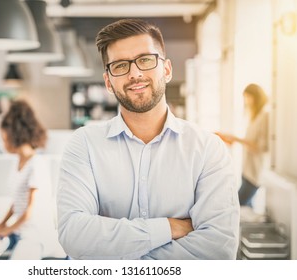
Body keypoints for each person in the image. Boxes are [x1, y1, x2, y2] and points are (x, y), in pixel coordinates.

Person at [57, 19, 240, 260]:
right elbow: (74, 236)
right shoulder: (84, 145)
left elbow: (218, 249)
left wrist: (113, 255)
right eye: (121, 65)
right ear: (108, 82)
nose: (135, 73)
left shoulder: (207, 149)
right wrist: (169, 227)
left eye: (145, 60)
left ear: (166, 69)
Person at [0, 100, 49, 260]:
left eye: (4, 138)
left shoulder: (37, 163)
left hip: (34, 235)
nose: (3, 143)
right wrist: (2, 224)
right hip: (19, 231)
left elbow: (30, 210)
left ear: (15, 135)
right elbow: (17, 203)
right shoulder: (18, 161)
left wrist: (6, 230)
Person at [216, 83, 269, 207]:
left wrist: (236, 139)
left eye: (247, 97)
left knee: (237, 205)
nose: (246, 101)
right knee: (247, 208)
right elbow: (250, 142)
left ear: (256, 97)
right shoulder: (254, 116)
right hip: (247, 170)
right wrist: (232, 140)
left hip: (255, 173)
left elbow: (260, 147)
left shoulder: (265, 116)